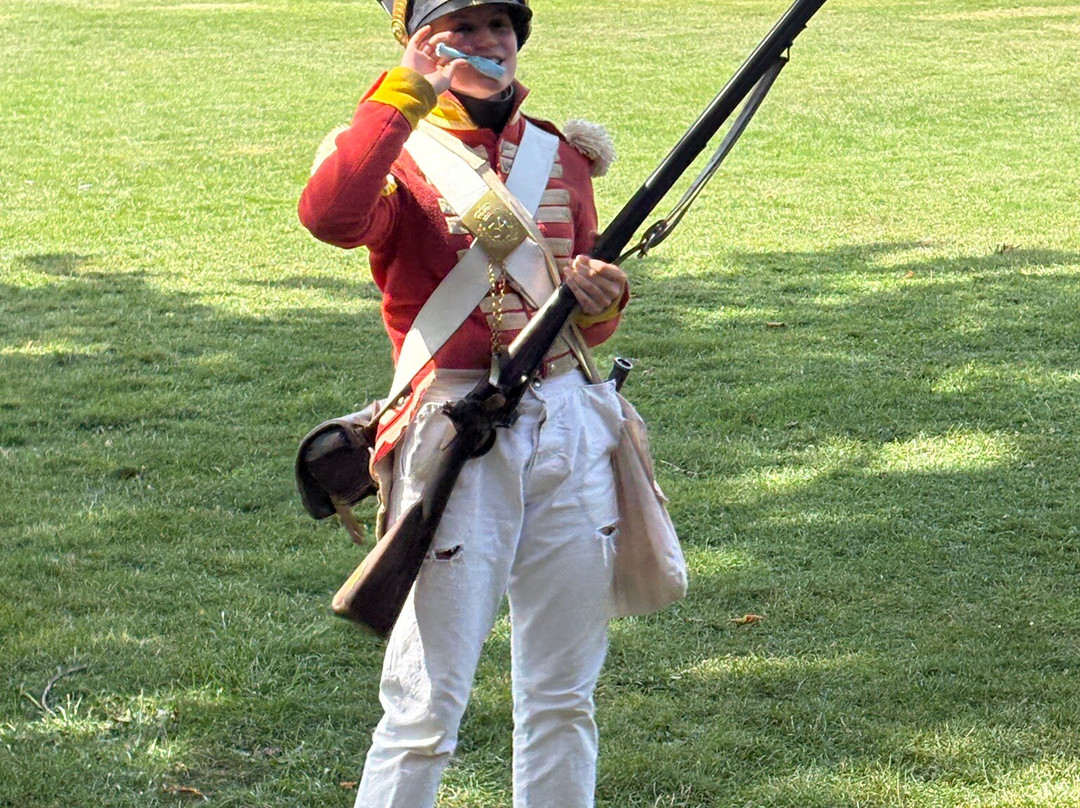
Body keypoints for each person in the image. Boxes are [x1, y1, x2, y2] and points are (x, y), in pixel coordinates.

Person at [297, 1, 629, 805]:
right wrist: (406, 89)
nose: (485, 45)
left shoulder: (559, 154)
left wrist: (602, 299)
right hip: (455, 429)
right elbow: (332, 218)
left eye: (498, 28)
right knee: (425, 703)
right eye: (459, 30)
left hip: (569, 418)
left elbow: (582, 309)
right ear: (419, 41)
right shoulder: (393, 149)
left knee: (564, 694)